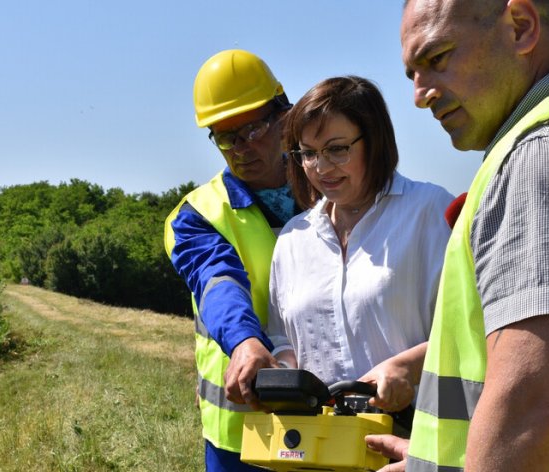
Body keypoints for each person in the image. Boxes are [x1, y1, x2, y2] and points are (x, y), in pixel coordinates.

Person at [366, 1, 549, 471]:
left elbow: (532, 416)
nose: (419, 95)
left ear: (521, 27)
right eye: (411, 73)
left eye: (436, 58)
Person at [267, 76, 453, 415]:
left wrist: (407, 368)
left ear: (375, 141)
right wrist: (281, 371)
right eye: (308, 153)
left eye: (337, 149)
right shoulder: (293, 239)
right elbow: (283, 339)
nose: (321, 168)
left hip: (416, 436)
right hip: (318, 444)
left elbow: (472, 327)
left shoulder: (431, 211)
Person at [163, 49, 297, 472]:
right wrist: (244, 340)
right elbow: (217, 279)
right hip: (240, 439)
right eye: (225, 136)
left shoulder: (332, 186)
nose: (241, 148)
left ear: (285, 115)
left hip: (333, 417)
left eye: (253, 128)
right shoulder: (196, 214)